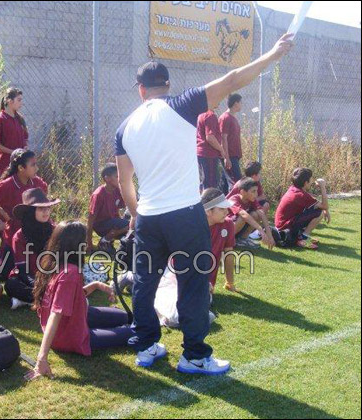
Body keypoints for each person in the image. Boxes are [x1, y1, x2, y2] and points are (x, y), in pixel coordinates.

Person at [116, 33, 293, 375]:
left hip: (149, 216)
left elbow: (125, 182)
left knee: (145, 282)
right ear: (167, 85)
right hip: (184, 214)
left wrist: (136, 215)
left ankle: (147, 346)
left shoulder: (125, 127)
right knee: (193, 284)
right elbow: (231, 80)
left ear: (141, 90)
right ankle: (195, 355)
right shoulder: (181, 104)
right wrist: (272, 55)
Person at [25, 221, 132, 381]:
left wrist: (96, 285)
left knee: (125, 316)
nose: (87, 244)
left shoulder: (52, 262)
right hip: (69, 336)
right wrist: (42, 358)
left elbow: (69, 296)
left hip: (73, 321)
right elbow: (56, 313)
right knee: (133, 331)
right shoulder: (71, 272)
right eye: (84, 240)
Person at [4, 188, 59, 310]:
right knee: (11, 285)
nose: (46, 211)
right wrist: (39, 287)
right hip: (28, 279)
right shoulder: (19, 237)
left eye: (48, 207)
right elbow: (23, 271)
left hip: (50, 276)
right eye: (40, 208)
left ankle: (29, 300)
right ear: (30, 211)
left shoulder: (55, 231)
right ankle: (50, 299)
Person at [274, 168, 330, 249]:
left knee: (317, 209)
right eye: (311, 179)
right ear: (306, 182)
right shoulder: (301, 195)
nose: (312, 181)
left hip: (281, 225)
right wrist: (323, 187)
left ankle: (301, 236)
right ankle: (303, 238)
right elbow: (324, 206)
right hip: (285, 228)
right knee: (319, 212)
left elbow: (316, 203)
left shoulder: (294, 189)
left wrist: (325, 209)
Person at [86, 163, 129, 255]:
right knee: (132, 225)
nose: (120, 179)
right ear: (107, 178)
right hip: (101, 225)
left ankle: (107, 243)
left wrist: (120, 225)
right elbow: (90, 220)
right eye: (117, 176)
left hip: (112, 222)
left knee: (132, 227)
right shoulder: (98, 194)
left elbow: (118, 209)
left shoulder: (117, 190)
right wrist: (89, 243)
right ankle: (106, 239)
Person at [201, 188, 238, 293]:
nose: (227, 212)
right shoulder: (193, 226)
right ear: (208, 211)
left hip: (207, 285)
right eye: (222, 209)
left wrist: (230, 283)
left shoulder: (228, 224)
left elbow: (228, 255)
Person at [227, 178, 275, 250]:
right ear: (243, 192)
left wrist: (269, 235)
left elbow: (262, 214)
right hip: (227, 229)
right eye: (253, 191)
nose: (256, 194)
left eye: (256, 191)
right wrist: (260, 230)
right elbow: (243, 215)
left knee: (256, 214)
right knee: (243, 218)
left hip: (238, 227)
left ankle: (242, 239)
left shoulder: (251, 200)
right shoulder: (234, 199)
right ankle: (227, 241)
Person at [0, 88, 29, 173]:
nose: (21, 103)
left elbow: (25, 138)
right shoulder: (0, 119)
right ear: (10, 101)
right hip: (5, 165)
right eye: (19, 100)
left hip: (20, 163)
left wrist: (25, 147)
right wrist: (13, 152)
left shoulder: (20, 119)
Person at [196, 109, 230, 191]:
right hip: (209, 154)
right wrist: (221, 149)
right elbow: (210, 137)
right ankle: (209, 199)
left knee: (204, 182)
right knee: (210, 185)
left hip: (201, 153)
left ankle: (203, 198)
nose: (219, 103)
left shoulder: (201, 114)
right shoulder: (210, 115)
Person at [219, 93, 243, 194]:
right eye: (241, 102)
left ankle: (223, 202)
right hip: (230, 156)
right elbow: (223, 138)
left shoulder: (233, 118)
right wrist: (226, 158)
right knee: (236, 183)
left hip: (234, 156)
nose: (241, 105)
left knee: (225, 183)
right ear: (236, 103)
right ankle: (234, 202)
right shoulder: (225, 117)